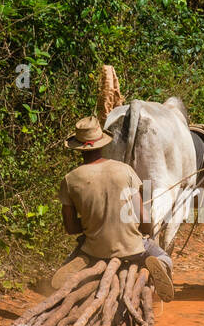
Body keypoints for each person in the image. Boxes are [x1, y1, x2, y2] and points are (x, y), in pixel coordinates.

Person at [50, 116, 175, 300]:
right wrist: (148, 234)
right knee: (165, 257)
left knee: (80, 250)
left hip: (95, 248)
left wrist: (90, 222)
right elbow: (143, 217)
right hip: (132, 248)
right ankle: (160, 264)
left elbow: (70, 227)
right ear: (102, 144)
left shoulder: (70, 179)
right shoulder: (124, 170)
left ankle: (79, 261)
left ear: (78, 147)